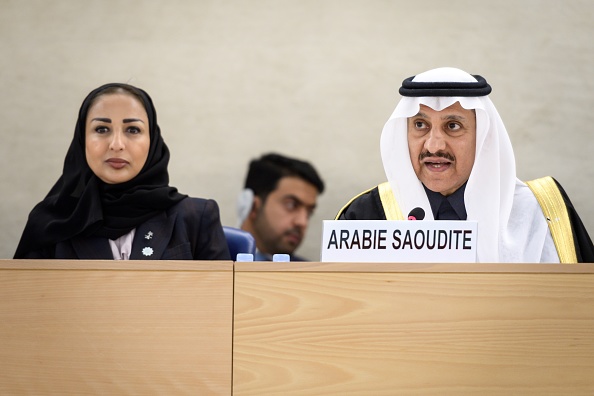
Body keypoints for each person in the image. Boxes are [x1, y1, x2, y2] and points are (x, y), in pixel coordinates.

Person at [336, 67, 594, 263]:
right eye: (420, 125)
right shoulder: (369, 214)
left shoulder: (540, 210)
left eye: (453, 126)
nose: (434, 145)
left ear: (483, 138)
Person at [14, 83, 230, 260]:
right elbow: (24, 307)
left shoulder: (195, 218)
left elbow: (223, 307)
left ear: (152, 141)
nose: (116, 144)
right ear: (82, 141)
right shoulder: (50, 223)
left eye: (132, 130)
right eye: (101, 129)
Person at [237, 153, 325, 261]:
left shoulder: (309, 274)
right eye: (291, 205)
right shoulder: (217, 264)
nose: (302, 222)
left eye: (309, 212)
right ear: (252, 206)